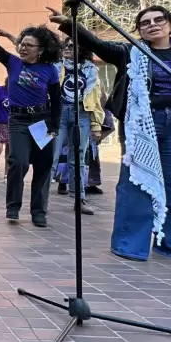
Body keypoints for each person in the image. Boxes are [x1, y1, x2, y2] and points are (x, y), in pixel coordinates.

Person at [51, 5, 171, 261]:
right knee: (135, 184)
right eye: (144, 22)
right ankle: (129, 245)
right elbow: (98, 44)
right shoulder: (131, 51)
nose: (152, 25)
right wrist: (68, 24)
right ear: (139, 30)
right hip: (140, 125)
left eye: (158, 19)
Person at [0, 6, 62, 226]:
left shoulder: (50, 70)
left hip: (41, 121)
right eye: (22, 44)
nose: (23, 48)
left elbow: (56, 100)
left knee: (44, 165)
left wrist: (54, 126)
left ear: (41, 49)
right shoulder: (13, 63)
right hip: (17, 121)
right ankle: (13, 207)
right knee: (18, 162)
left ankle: (39, 212)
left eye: (29, 45)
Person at [50, 40, 105, 216]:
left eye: (72, 45)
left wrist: (96, 124)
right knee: (52, 156)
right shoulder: (56, 66)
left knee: (78, 158)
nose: (66, 48)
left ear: (82, 49)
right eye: (65, 45)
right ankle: (40, 201)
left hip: (82, 113)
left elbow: (95, 98)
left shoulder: (90, 69)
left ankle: (79, 199)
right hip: (59, 114)